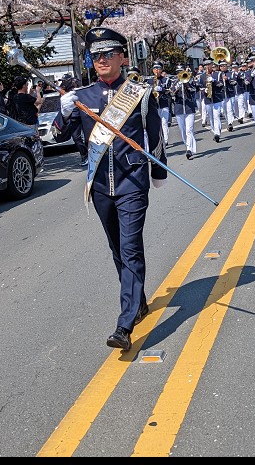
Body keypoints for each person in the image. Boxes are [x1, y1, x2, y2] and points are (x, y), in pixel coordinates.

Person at [52, 27, 166, 352]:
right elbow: (62, 135)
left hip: (131, 182)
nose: (100, 60)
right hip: (100, 185)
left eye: (107, 54)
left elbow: (154, 138)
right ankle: (138, 301)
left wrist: (157, 172)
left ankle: (124, 325)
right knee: (117, 250)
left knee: (130, 249)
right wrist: (63, 113)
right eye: (95, 55)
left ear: (122, 57)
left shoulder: (140, 94)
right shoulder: (83, 97)